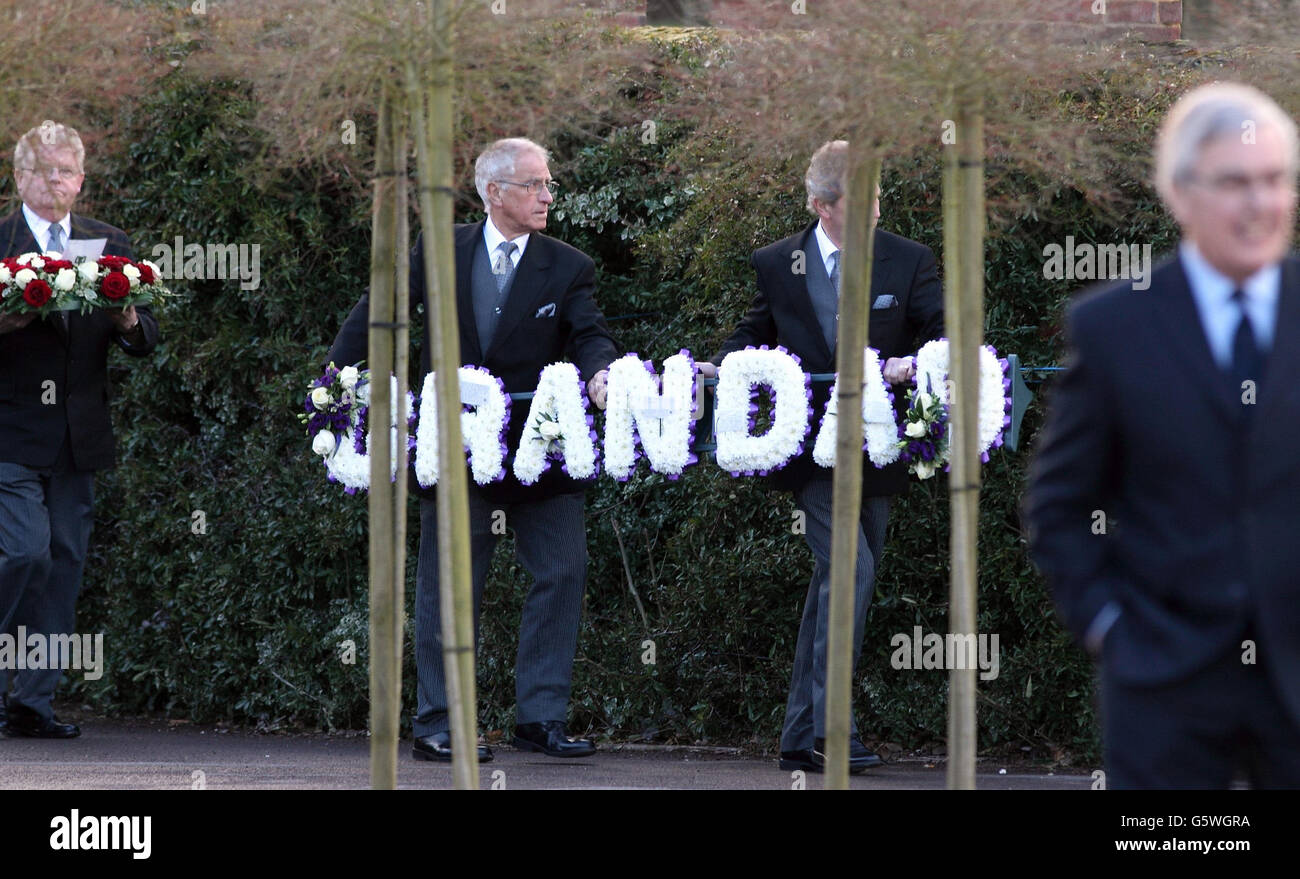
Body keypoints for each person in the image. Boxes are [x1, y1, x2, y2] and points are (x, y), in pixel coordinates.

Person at [1025, 83, 1300, 789]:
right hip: (1163, 680)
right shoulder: (1116, 328)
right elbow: (1059, 505)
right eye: (1236, 183)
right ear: (1179, 192)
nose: (1260, 204)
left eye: (1275, 180)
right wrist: (1109, 625)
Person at [329, 137, 618, 763]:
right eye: (535, 185)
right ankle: (440, 722)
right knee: (450, 585)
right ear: (494, 192)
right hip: (453, 448)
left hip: (543, 451)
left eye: (550, 185)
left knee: (563, 573)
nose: (547, 196)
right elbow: (379, 311)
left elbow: (589, 333)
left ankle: (539, 718)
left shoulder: (569, 265)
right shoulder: (439, 249)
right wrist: (337, 378)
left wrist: (600, 374)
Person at [698, 140, 944, 772]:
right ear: (820, 205)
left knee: (838, 579)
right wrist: (720, 365)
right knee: (851, 573)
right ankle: (833, 729)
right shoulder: (778, 262)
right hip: (808, 449)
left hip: (880, 447)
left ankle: (797, 737)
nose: (875, 213)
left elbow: (942, 326)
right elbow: (756, 332)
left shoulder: (908, 258)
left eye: (879, 199)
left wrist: (918, 359)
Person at [0, 122, 159, 738]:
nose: (57, 182)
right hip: (10, 433)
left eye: (67, 172)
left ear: (82, 179)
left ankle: (32, 704)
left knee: (64, 565)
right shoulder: (2, 239)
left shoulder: (107, 241)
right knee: (22, 551)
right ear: (20, 177)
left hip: (78, 435)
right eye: (45, 171)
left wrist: (125, 319)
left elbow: (146, 338)